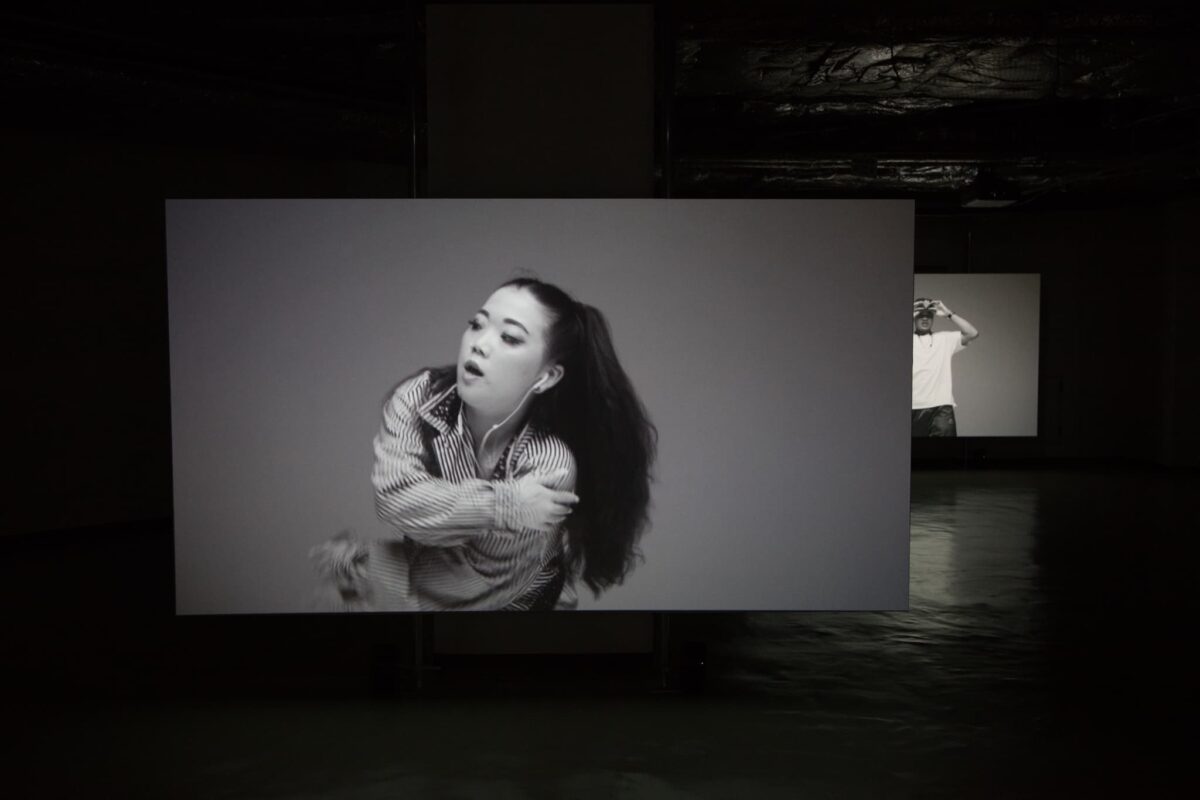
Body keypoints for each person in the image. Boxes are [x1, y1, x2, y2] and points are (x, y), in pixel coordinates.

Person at [312, 277, 657, 611]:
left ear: (546, 376)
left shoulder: (550, 463)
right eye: (477, 324)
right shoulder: (419, 397)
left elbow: (475, 581)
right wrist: (509, 504)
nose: (479, 343)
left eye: (509, 337)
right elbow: (394, 498)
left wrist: (365, 568)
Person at [912, 297, 979, 437]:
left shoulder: (944, 339)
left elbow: (973, 333)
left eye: (929, 315)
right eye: (920, 315)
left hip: (941, 407)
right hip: (913, 407)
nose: (925, 318)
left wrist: (948, 313)